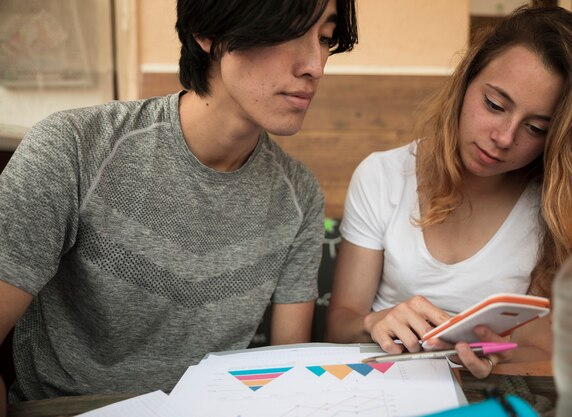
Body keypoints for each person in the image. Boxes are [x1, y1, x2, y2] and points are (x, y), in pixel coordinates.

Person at [0, 0, 357, 412]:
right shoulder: (74, 148)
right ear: (207, 33)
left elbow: (284, 372)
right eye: (289, 31)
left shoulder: (299, 194)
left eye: (325, 39)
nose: (315, 64)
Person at [326, 5, 572, 379]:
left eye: (535, 128)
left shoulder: (556, 205)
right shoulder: (382, 175)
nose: (503, 138)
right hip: (379, 385)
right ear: (466, 81)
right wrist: (374, 321)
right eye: (494, 105)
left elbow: (548, 354)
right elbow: (338, 326)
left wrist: (500, 360)